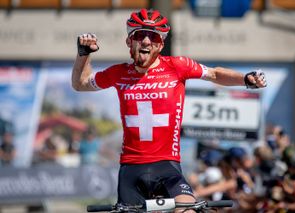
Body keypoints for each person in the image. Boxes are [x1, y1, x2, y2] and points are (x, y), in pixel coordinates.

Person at [71, 8, 267, 209]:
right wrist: (83, 54)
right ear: (129, 41)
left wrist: (245, 79)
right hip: (131, 169)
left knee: (189, 208)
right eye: (139, 35)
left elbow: (215, 75)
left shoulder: (177, 66)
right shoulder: (118, 73)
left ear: (161, 44)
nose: (146, 41)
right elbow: (81, 83)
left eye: (153, 37)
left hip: (167, 166)